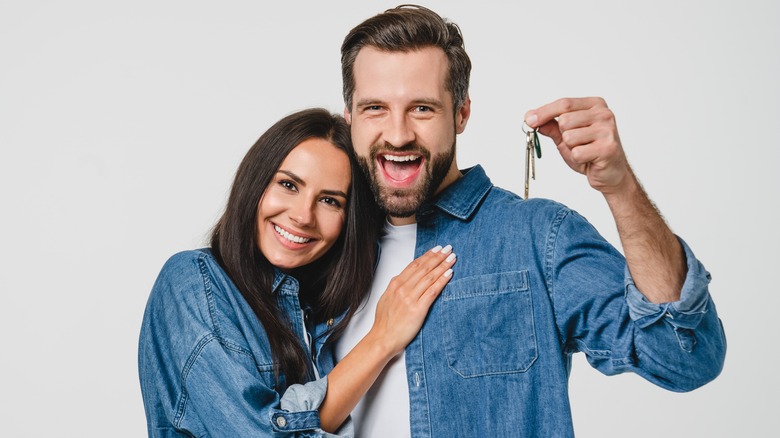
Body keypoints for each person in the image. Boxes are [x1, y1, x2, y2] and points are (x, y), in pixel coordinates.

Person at [333, 5, 727, 437]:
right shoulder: (320, 248)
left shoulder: (538, 236)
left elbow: (683, 358)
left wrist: (621, 187)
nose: (398, 134)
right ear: (349, 116)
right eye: (375, 108)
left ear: (461, 114)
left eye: (422, 109)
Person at [138, 108, 457, 437]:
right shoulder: (192, 282)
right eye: (289, 185)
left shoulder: (314, 315)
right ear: (255, 183)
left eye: (330, 201)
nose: (303, 216)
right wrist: (381, 339)